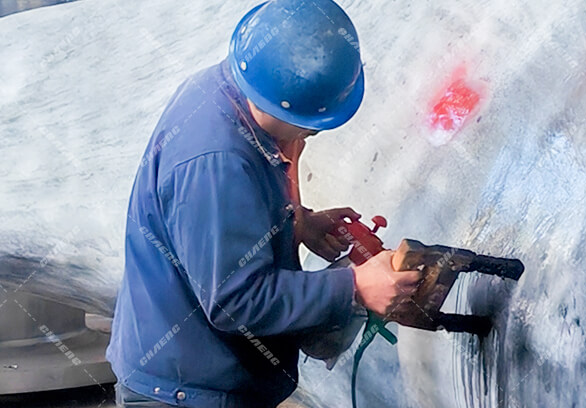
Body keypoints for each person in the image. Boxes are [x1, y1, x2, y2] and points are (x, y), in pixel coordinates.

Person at [106, 1, 421, 407]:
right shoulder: (217, 162)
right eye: (311, 126)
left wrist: (295, 223)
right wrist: (355, 287)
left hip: (196, 378)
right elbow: (234, 300)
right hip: (186, 393)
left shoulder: (225, 87)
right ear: (280, 105)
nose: (313, 134)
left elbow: (210, 227)